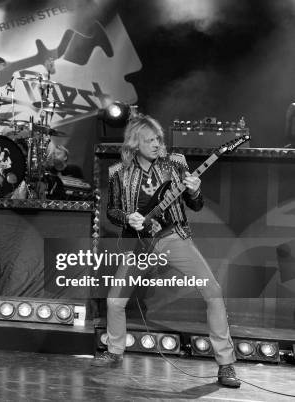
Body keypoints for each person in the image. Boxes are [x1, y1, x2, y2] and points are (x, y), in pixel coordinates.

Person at [89, 114, 240, 388]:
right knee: (114, 302)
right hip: (140, 245)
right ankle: (113, 351)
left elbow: (195, 206)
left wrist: (194, 192)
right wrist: (127, 218)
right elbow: (111, 210)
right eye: (150, 140)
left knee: (213, 292)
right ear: (135, 144)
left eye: (159, 138)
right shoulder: (117, 173)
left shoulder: (176, 164)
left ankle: (226, 364)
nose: (158, 144)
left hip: (173, 238)